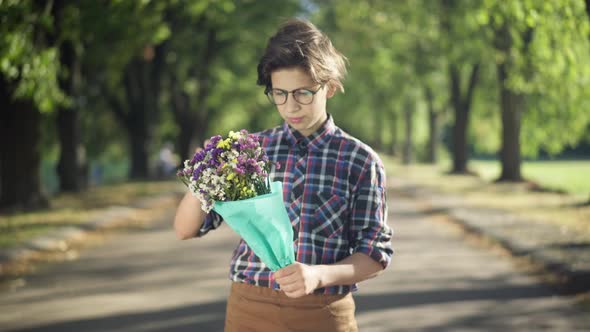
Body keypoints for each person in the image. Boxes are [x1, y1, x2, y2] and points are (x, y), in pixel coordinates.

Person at [174, 18, 393, 332]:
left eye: (303, 93)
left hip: (323, 313)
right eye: (280, 94)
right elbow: (185, 229)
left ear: (329, 88)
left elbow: (375, 253)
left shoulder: (360, 160)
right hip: (249, 310)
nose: (291, 106)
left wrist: (318, 274)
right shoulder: (249, 152)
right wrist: (205, 173)